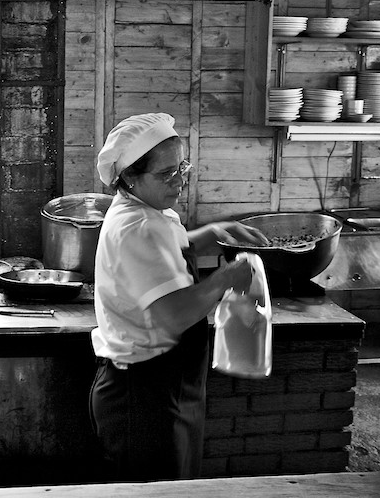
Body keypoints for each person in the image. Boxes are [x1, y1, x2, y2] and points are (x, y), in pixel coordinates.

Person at [89, 112, 268, 482]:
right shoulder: (139, 226)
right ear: (130, 177)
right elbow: (172, 315)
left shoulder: (145, 209)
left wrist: (209, 234)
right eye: (166, 173)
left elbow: (167, 249)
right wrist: (225, 278)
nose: (180, 181)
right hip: (143, 396)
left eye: (182, 167)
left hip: (162, 385)